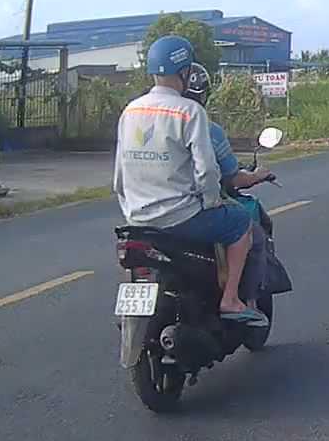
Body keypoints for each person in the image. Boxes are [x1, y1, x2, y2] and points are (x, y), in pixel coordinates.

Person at [113, 35, 266, 326]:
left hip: (136, 218)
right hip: (180, 217)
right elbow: (207, 171)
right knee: (241, 223)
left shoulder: (131, 110)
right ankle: (231, 300)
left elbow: (119, 175)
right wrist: (212, 202)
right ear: (184, 72)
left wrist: (131, 208)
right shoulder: (189, 112)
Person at [182, 63, 274, 304]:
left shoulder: (147, 121)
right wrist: (258, 175)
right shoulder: (206, 129)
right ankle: (235, 300)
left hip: (142, 212)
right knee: (247, 228)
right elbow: (228, 177)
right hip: (188, 211)